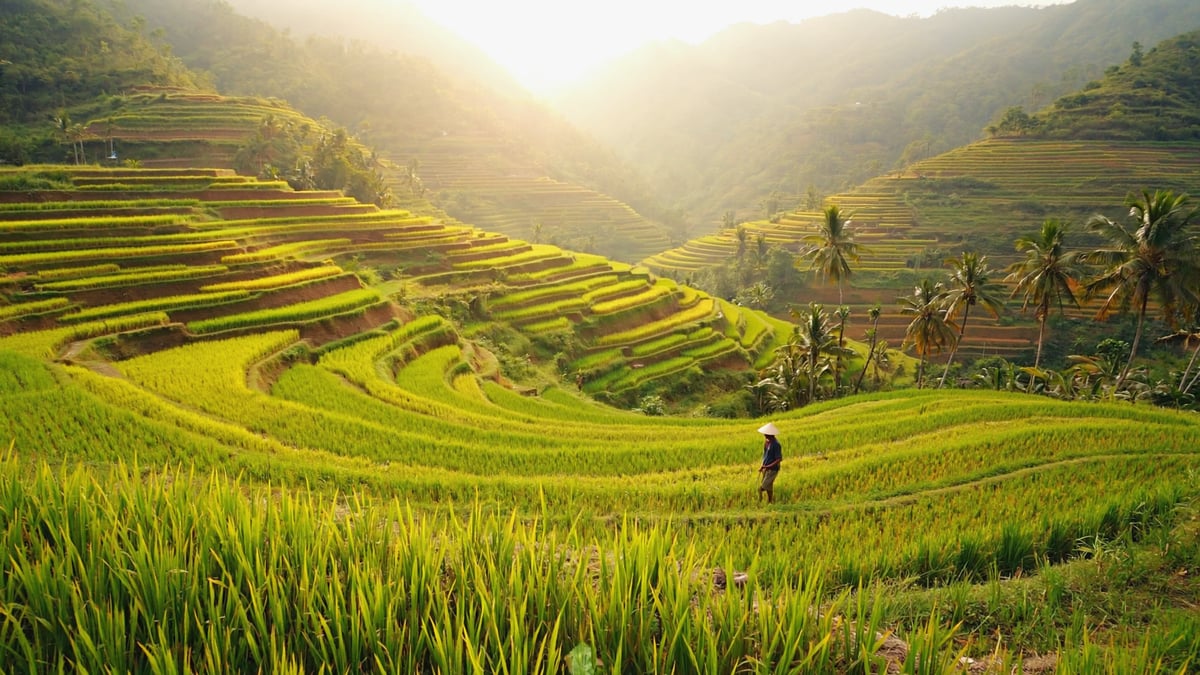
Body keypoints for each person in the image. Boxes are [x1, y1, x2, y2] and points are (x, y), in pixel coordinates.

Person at [757, 422, 782, 504]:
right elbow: (765, 455)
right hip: (766, 467)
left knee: (762, 487)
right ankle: (770, 501)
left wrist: (768, 466)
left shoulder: (776, 444)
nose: (764, 435)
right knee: (769, 486)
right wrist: (762, 465)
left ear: (770, 434)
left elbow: (779, 459)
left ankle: (759, 501)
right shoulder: (766, 443)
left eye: (766, 434)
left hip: (773, 469)